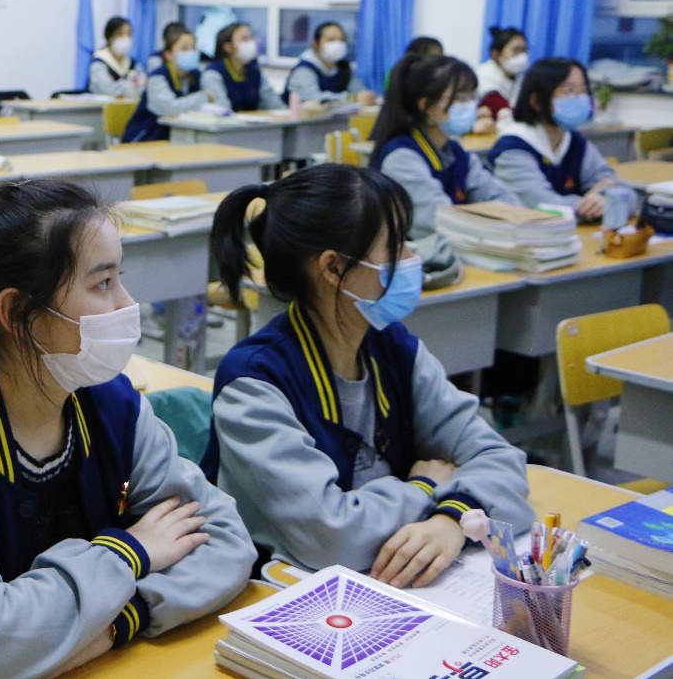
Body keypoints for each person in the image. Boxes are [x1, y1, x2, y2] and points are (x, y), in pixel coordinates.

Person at [0, 177, 254, 679]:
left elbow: (226, 540)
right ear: (17, 313)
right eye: (102, 284)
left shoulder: (113, 404)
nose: (128, 303)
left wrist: (125, 618)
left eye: (119, 277)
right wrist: (129, 551)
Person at [203, 164, 533, 583]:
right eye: (396, 246)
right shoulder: (253, 383)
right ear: (333, 267)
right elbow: (331, 536)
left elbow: (500, 459)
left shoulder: (394, 348)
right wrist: (422, 488)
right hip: (280, 594)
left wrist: (452, 519)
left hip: (385, 584)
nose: (412, 259)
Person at [370, 54, 520, 238]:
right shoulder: (401, 158)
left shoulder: (456, 152)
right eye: (460, 98)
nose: (471, 105)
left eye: (472, 96)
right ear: (426, 106)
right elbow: (439, 222)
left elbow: (501, 198)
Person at [489, 58, 638, 220]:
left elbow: (626, 195)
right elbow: (542, 206)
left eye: (584, 89)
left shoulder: (575, 142)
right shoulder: (513, 149)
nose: (580, 98)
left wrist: (604, 200)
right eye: (569, 90)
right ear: (536, 101)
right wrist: (594, 203)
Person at [121, 25, 211, 143]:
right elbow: (171, 108)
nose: (191, 53)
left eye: (193, 48)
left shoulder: (195, 75)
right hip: (147, 137)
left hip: (177, 138)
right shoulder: (157, 77)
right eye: (184, 49)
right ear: (168, 54)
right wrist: (204, 97)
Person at [285, 22, 375, 105]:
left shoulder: (343, 66)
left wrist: (366, 96)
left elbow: (357, 90)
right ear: (316, 43)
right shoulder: (304, 69)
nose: (337, 44)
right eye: (331, 40)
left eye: (341, 40)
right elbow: (313, 98)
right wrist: (352, 98)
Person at [201, 22, 284, 113]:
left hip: (252, 121)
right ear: (228, 47)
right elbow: (221, 109)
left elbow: (275, 105)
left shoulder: (254, 72)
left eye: (251, 38)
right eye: (244, 39)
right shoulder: (213, 73)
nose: (251, 42)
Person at [475, 26, 528, 132]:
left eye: (524, 50)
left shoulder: (520, 77)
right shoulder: (484, 74)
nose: (522, 55)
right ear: (496, 54)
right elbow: (499, 108)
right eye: (516, 50)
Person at [88, 16, 146, 99]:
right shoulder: (99, 61)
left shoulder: (132, 63)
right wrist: (131, 86)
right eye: (120, 34)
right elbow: (106, 89)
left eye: (128, 34)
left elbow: (144, 85)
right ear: (109, 37)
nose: (125, 38)